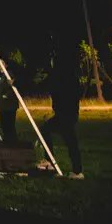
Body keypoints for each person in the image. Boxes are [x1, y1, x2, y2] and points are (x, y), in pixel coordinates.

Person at [41, 38, 84, 178]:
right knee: (68, 139)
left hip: (65, 114)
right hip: (69, 114)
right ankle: (75, 170)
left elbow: (43, 85)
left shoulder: (60, 74)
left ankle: (53, 163)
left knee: (67, 139)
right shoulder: (70, 75)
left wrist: (18, 83)